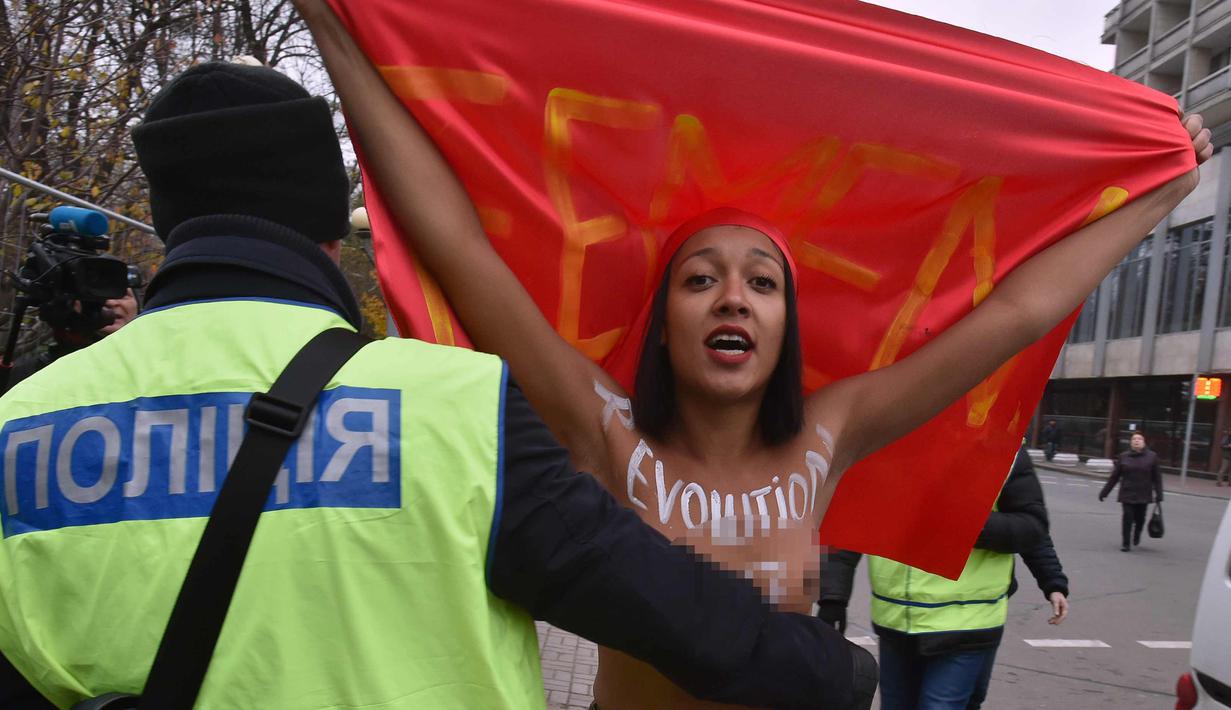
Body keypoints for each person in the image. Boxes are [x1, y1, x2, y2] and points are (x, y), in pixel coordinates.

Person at [296, 2, 1211, 707]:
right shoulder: (599, 427)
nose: (733, 295)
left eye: (762, 284)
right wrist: (337, 32)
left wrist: (1153, 194)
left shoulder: (831, 430)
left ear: (784, 328)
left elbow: (1016, 310)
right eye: (700, 279)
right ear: (662, 323)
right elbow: (457, 241)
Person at [0, 61, 878, 709]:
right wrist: (831, 669)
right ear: (326, 229)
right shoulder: (450, 406)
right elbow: (650, 596)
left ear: (165, 217)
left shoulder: (16, 429)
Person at [819, 447, 1069, 709]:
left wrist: (1052, 580)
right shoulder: (886, 435)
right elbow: (851, 523)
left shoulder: (1002, 443)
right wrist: (833, 597)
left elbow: (1032, 525)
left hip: (966, 622)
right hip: (894, 620)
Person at [1099, 431, 1163, 551]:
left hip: (1143, 493)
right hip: (1127, 493)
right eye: (1134, 439)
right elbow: (1115, 477)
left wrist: (1159, 494)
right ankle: (1126, 543)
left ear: (1144, 442)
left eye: (1139, 439)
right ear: (1131, 443)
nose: (1136, 441)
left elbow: (1157, 478)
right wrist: (1104, 492)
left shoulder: (1152, 457)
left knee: (1140, 518)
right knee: (1127, 517)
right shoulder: (1123, 456)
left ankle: (1137, 532)